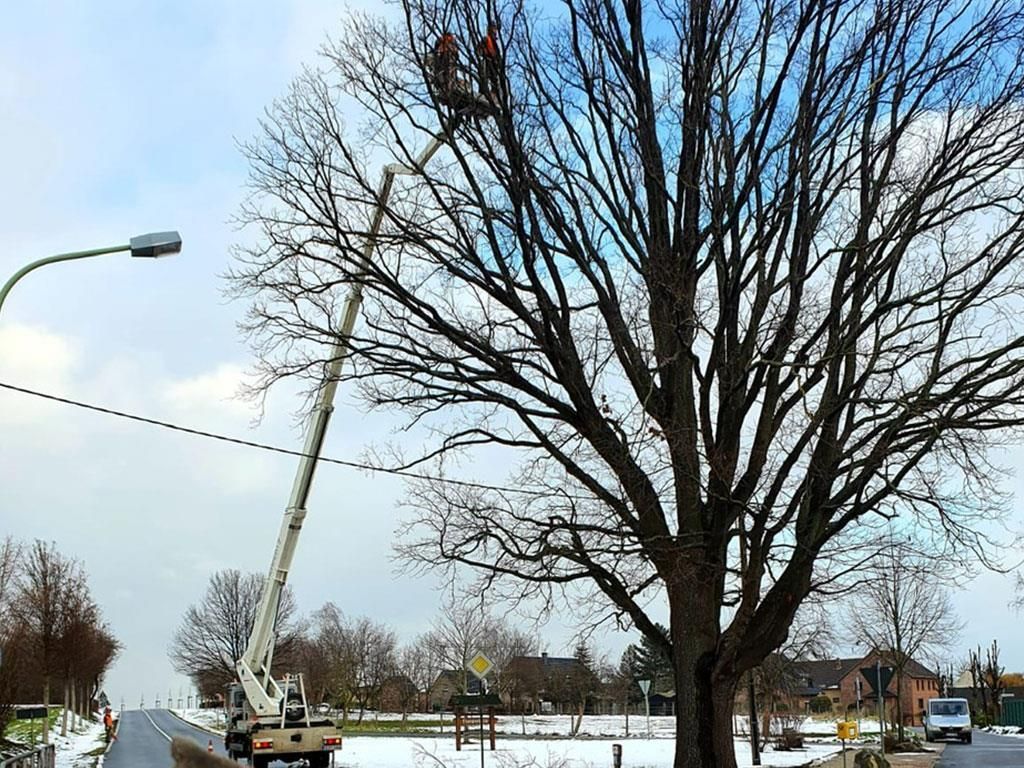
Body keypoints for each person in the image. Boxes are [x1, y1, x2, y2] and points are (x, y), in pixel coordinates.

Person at [432, 31, 459, 103]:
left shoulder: (443, 39)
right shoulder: (451, 40)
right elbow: (456, 52)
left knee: (445, 74)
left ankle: (446, 90)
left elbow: (435, 49)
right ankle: (449, 89)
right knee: (449, 75)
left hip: (445, 57)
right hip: (448, 57)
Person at [476, 22, 500, 101]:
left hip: (494, 64)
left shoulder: (495, 45)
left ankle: (494, 95)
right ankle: (483, 93)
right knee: (484, 77)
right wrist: (483, 53)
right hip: (487, 60)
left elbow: (498, 56)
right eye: (493, 29)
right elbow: (478, 50)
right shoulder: (486, 39)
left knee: (494, 79)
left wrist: (499, 64)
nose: (495, 32)